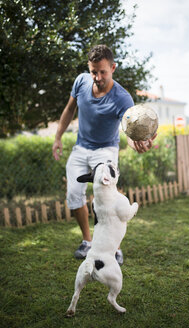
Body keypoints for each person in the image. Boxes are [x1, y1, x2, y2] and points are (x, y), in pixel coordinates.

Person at [52, 45, 156, 265]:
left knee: (107, 199)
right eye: (93, 72)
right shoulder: (81, 82)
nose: (97, 77)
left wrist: (137, 143)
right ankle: (87, 241)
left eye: (102, 72)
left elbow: (128, 131)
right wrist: (58, 137)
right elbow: (70, 109)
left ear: (113, 68)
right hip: (81, 147)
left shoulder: (122, 98)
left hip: (106, 149)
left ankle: (114, 247)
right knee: (73, 195)